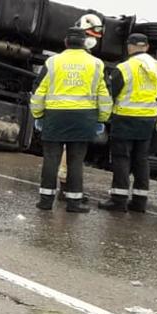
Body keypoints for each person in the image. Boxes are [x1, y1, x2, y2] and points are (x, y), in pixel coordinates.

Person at [32, 26, 113, 212]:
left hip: (55, 117)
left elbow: (39, 91)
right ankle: (74, 203)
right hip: (84, 118)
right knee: (75, 161)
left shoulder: (53, 62)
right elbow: (104, 94)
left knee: (51, 159)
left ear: (66, 42)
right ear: (84, 43)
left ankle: (45, 201)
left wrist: (38, 115)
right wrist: (101, 119)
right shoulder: (97, 64)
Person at [97, 33, 157, 213]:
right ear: (147, 47)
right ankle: (139, 201)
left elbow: (111, 93)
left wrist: (103, 115)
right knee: (142, 160)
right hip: (147, 121)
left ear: (130, 46)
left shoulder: (124, 68)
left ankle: (118, 200)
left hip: (125, 119)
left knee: (121, 159)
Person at [57, 13, 104, 199]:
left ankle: (66, 188)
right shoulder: (87, 61)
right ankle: (67, 190)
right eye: (90, 36)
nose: (93, 40)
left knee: (70, 154)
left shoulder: (80, 58)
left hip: (69, 111)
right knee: (71, 154)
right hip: (77, 113)